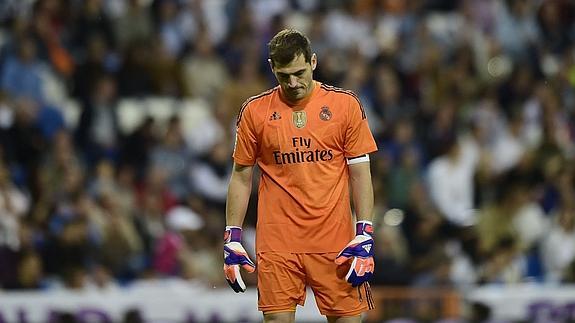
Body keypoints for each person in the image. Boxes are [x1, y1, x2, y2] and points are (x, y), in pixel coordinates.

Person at [223, 29, 378, 323]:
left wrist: (365, 231)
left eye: (299, 72)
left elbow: (361, 174)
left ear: (314, 62)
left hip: (336, 243)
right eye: (284, 75)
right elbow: (242, 176)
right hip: (278, 243)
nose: (293, 83)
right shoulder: (254, 112)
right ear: (272, 69)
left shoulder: (345, 106)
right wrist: (232, 236)